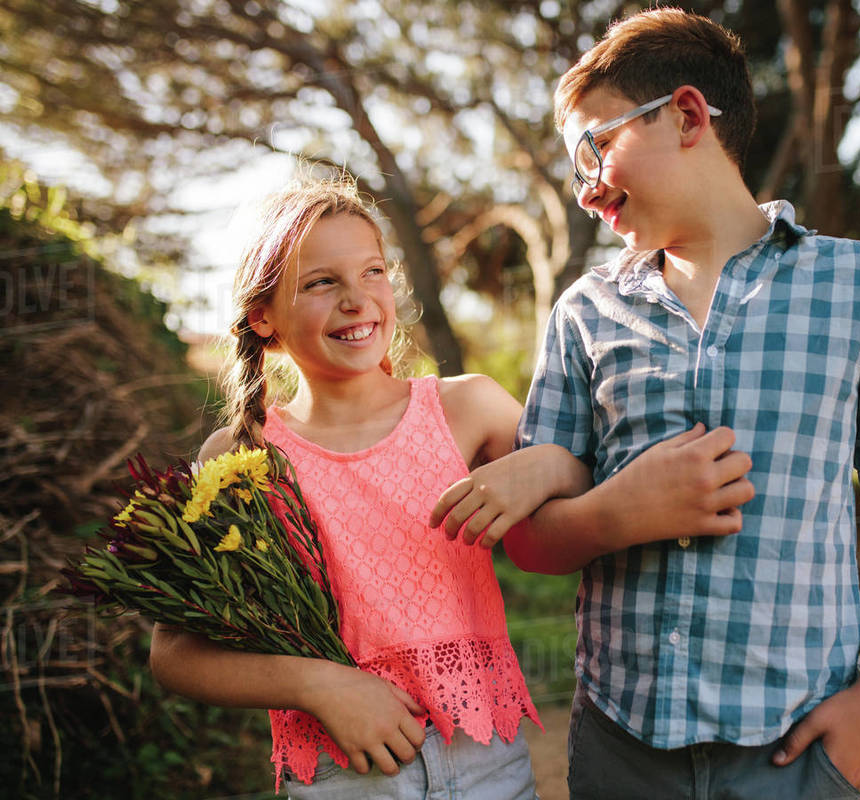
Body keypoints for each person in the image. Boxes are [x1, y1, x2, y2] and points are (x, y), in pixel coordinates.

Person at [495, 8, 860, 799]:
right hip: (621, 746)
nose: (586, 189)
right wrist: (621, 513)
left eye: (594, 147)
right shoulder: (583, 311)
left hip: (800, 750)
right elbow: (531, 542)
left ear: (685, 116)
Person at [149, 177, 590, 798]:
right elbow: (173, 652)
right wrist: (319, 686)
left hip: (487, 758)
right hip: (342, 774)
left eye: (373, 271)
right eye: (320, 282)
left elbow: (589, 481)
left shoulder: (469, 409)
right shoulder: (241, 458)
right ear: (262, 315)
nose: (357, 299)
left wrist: (548, 464)